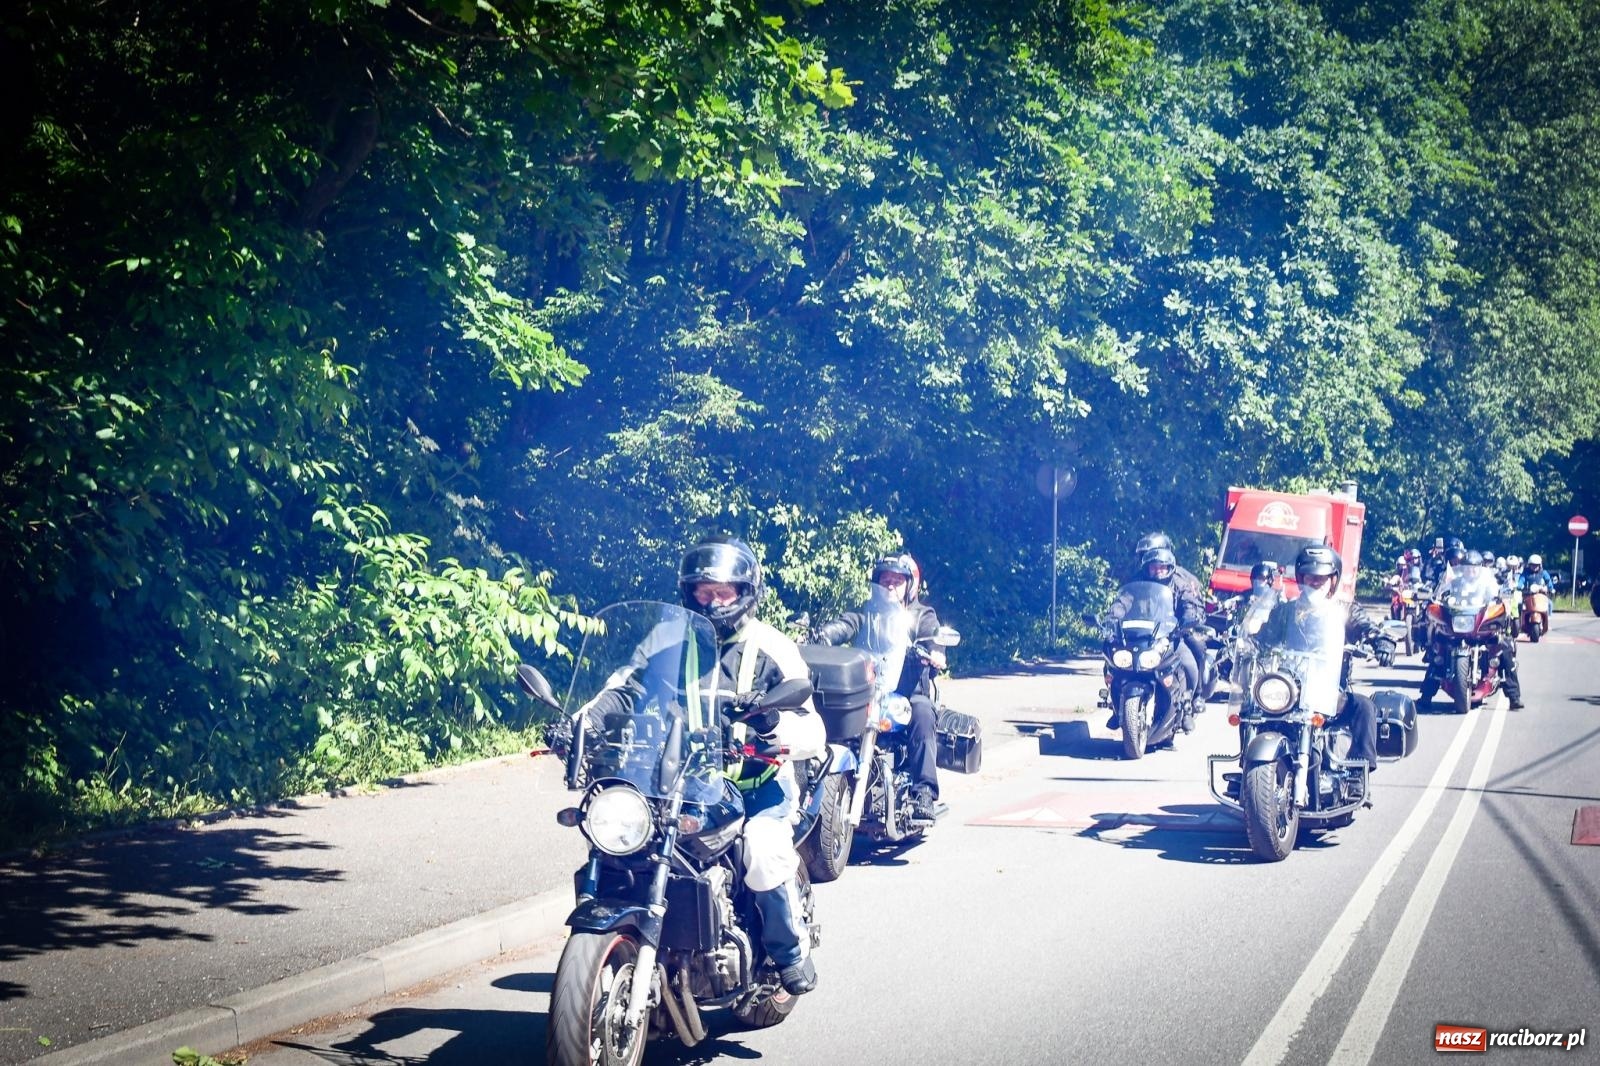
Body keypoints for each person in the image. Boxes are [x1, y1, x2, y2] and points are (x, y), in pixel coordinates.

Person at [567, 536, 825, 995]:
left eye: (723, 591)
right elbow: (624, 688)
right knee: (625, 843)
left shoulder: (772, 646)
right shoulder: (667, 638)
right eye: (703, 592)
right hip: (679, 779)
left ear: (746, 592)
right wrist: (580, 724)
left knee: (764, 852)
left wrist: (771, 727)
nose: (713, 601)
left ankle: (790, 951)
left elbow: (813, 727)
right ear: (689, 594)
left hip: (757, 783)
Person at [812, 553, 946, 820]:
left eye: (897, 581)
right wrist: (825, 635)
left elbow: (934, 637)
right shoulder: (867, 612)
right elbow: (847, 624)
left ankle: (924, 793)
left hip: (908, 692)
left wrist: (935, 652)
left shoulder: (921, 615)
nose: (890, 586)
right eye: (885, 580)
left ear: (909, 586)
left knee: (922, 713)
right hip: (871, 690)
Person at [1251, 546, 1392, 782]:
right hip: (1288, 688)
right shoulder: (1285, 611)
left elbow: (1365, 626)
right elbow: (1264, 637)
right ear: (1301, 578)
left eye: (1321, 577)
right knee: (1250, 710)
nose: (1315, 582)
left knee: (1365, 707)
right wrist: (1243, 649)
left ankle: (1358, 776)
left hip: (1328, 690)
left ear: (1333, 580)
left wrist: (1380, 641)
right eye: (1310, 577)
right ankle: (1250, 770)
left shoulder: (1344, 610)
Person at [1104, 545, 1206, 731]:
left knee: (1189, 664)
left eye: (1162, 566)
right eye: (1153, 567)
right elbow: (1123, 602)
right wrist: (1112, 617)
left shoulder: (1180, 584)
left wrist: (1187, 619)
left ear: (1169, 567)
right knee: (1113, 662)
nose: (1158, 570)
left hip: (1170, 635)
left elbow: (1189, 604)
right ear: (1147, 568)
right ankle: (1117, 707)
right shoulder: (1137, 582)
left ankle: (1188, 705)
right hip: (1139, 635)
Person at [1420, 556, 1524, 710]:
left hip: (1479, 624)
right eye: (1468, 566)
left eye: (1474, 566)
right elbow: (1442, 594)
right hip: (1459, 625)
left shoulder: (1487, 583)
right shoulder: (1456, 582)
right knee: (1438, 652)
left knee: (1505, 648)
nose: (1471, 569)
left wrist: (1502, 601)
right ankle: (1426, 697)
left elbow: (1497, 595)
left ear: (1480, 567)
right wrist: (1437, 599)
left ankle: (1514, 696)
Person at [1132, 532, 1214, 696]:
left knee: (1196, 646)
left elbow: (1193, 604)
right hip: (1144, 631)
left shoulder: (1183, 578)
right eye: (1143, 555)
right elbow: (1125, 600)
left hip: (1176, 631)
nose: (1146, 558)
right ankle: (1117, 698)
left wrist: (1187, 620)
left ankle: (1197, 694)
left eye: (1149, 553)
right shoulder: (1138, 577)